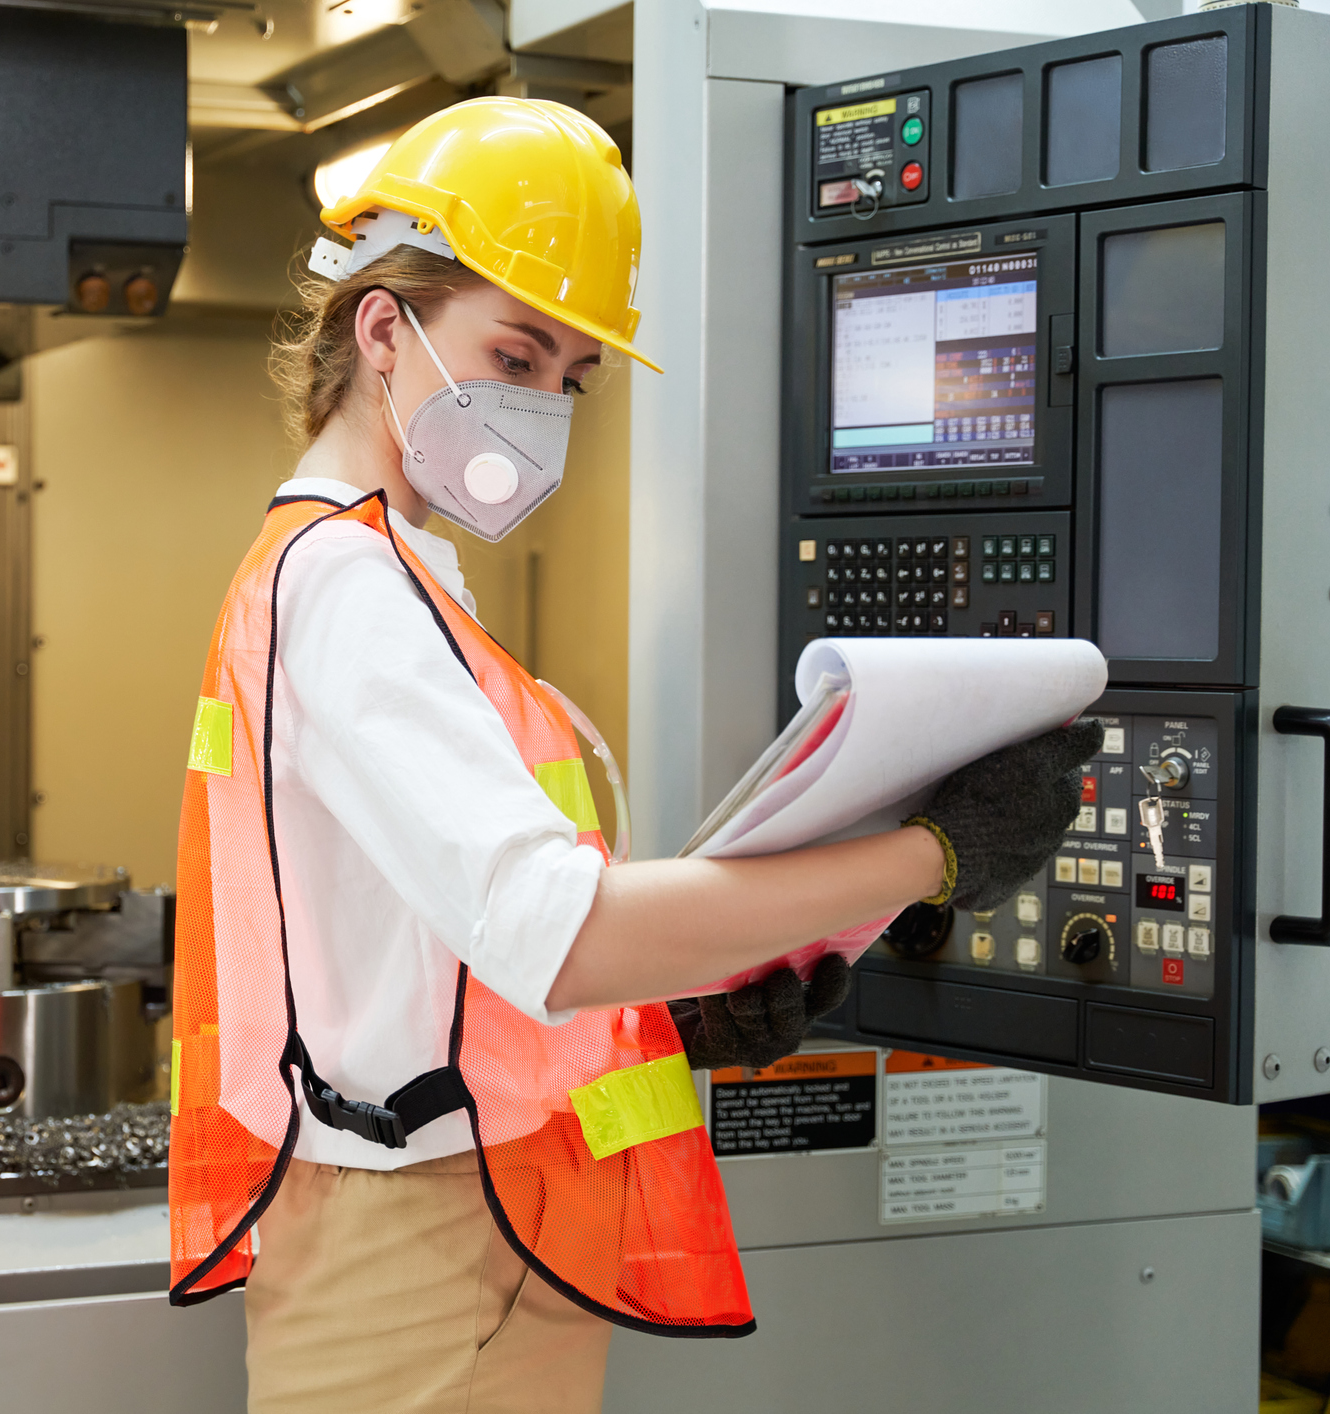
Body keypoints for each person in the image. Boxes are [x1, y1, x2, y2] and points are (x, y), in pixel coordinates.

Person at [167, 96, 1096, 1413]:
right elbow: (561, 933)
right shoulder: (347, 587)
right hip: (415, 1246)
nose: (542, 402)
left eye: (568, 376)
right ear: (383, 330)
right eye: (514, 350)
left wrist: (665, 1003)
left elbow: (459, 953)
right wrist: (929, 851)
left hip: (450, 1223)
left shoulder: (389, 574)